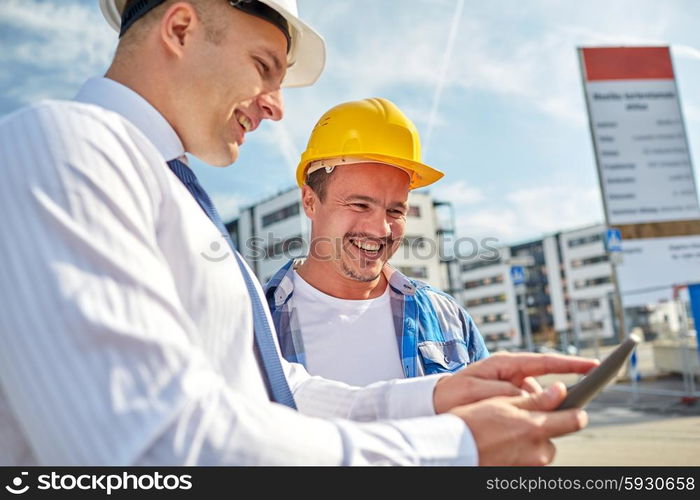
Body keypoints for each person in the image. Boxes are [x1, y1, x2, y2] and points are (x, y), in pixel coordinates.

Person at [0, 0, 597, 466]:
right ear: (179, 29)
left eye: (396, 209)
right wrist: (452, 450)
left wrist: (438, 398)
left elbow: (273, 392)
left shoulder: (168, 193)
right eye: (264, 67)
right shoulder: (64, 147)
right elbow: (144, 450)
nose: (277, 107)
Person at [265, 98, 489, 387]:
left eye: (396, 210)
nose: (381, 229)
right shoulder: (256, 323)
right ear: (310, 201)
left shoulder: (447, 318)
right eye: (359, 205)